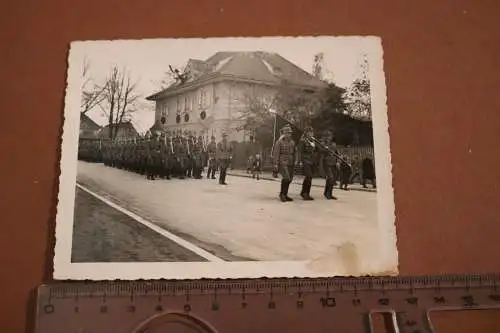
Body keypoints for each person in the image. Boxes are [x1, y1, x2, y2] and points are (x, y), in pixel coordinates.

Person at [272, 124, 296, 202]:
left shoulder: (292, 142)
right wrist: (275, 164)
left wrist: (296, 161)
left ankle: (285, 194)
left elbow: (295, 152)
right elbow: (276, 153)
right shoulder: (279, 142)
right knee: (286, 178)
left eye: (290, 133)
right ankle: (282, 195)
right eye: (287, 133)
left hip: (290, 162)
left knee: (289, 179)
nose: (289, 134)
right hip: (282, 162)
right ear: (284, 133)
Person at [297, 126, 317, 200]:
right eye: (309, 132)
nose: (311, 134)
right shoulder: (302, 141)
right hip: (305, 160)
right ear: (306, 133)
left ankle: (305, 193)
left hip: (311, 161)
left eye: (312, 132)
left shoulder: (313, 141)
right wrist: (300, 161)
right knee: (308, 176)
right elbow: (299, 151)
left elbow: (315, 150)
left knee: (309, 177)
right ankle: (305, 193)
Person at [318, 130, 338, 200]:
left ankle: (328, 193)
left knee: (332, 179)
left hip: (333, 163)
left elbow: (336, 153)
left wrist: (337, 161)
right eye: (327, 136)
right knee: (330, 177)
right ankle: (328, 194)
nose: (329, 137)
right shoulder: (322, 143)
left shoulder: (334, 144)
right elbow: (320, 150)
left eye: (330, 136)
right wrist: (325, 148)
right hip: (326, 162)